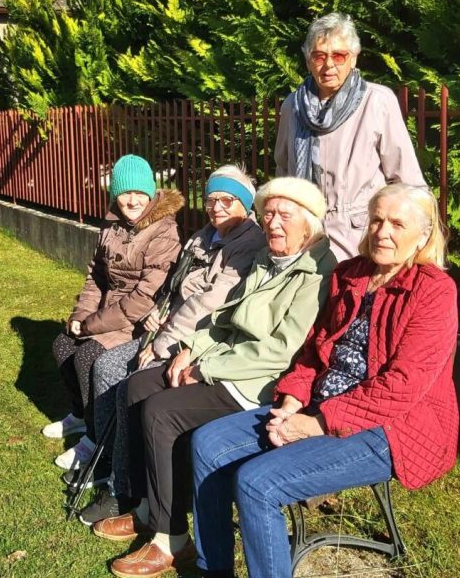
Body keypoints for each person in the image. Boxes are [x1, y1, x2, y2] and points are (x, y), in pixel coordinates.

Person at [189, 183, 458, 578]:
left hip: (392, 427)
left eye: (397, 224)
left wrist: (314, 424)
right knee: (208, 443)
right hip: (318, 406)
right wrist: (291, 402)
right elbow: (314, 350)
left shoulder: (433, 291)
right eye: (377, 220)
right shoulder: (352, 274)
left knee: (257, 483)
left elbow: (402, 386)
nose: (382, 232)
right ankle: (213, 569)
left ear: (423, 235)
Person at [92, 177, 338, 578]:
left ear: (309, 222)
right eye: (268, 214)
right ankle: (148, 508)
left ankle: (171, 538)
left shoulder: (316, 272)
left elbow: (280, 352)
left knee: (162, 412)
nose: (273, 223)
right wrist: (192, 348)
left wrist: (204, 368)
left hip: (258, 383)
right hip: (224, 362)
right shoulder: (269, 258)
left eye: (284, 215)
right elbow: (226, 318)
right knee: (137, 386)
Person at [76, 166, 267, 525]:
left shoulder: (248, 244)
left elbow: (207, 305)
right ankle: (109, 461)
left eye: (227, 200)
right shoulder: (203, 237)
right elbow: (175, 287)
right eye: (211, 200)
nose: (217, 207)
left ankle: (124, 486)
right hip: (168, 327)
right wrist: (157, 313)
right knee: (105, 366)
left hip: (197, 339)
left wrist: (162, 341)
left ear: (245, 204)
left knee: (130, 382)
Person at [45, 154, 183, 470]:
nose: (132, 200)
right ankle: (82, 415)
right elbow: (96, 275)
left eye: (140, 192)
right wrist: (80, 315)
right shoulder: (112, 223)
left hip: (138, 320)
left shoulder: (164, 231)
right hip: (107, 311)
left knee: (86, 357)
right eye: (125, 192)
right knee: (62, 345)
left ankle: (96, 439)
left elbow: (144, 298)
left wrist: (90, 326)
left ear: (151, 192)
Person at [275, 12, 426, 261]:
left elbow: (406, 179)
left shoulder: (377, 101)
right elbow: (283, 172)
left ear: (353, 58)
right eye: (319, 56)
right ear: (308, 61)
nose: (329, 65)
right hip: (304, 235)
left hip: (359, 239)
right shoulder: (293, 106)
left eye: (339, 55)